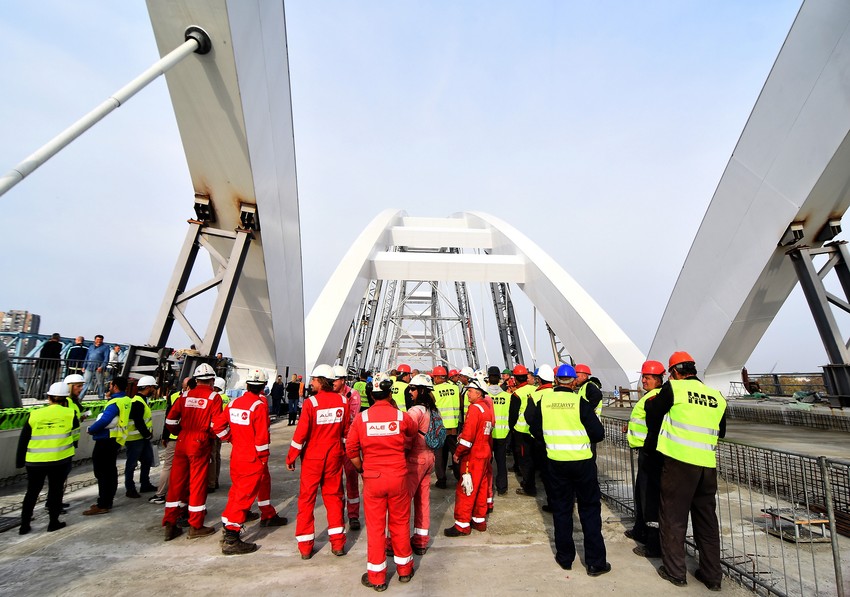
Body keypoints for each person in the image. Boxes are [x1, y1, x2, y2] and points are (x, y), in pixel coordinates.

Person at [645, 351, 727, 591]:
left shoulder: (675, 389)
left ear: (674, 373)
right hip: (707, 466)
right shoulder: (716, 396)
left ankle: (675, 572)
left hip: (679, 463)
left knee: (673, 518)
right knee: (707, 521)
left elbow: (654, 416)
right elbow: (720, 431)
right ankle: (712, 576)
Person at [527, 363, 609, 576]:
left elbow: (535, 428)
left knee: (562, 510)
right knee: (589, 510)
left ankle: (565, 558)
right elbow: (598, 433)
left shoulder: (545, 401)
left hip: (556, 463)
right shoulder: (579, 402)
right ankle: (595, 562)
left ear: (555, 381)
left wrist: (552, 442)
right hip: (582, 463)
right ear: (573, 382)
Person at [346, 373, 417, 591]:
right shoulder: (400, 417)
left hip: (373, 478)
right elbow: (412, 432)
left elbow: (350, 449)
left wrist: (361, 468)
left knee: (376, 528)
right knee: (400, 523)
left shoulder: (362, 419)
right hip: (397, 476)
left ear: (371, 394)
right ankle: (404, 570)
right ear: (389, 393)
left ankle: (377, 577)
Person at [214, 368, 287, 555]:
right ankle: (231, 537)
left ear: (247, 385)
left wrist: (230, 438)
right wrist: (263, 460)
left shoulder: (234, 403)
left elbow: (217, 426)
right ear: (263, 387)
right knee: (244, 496)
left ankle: (228, 525)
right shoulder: (258, 406)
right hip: (252, 458)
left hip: (237, 456)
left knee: (237, 492)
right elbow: (262, 439)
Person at [286, 364, 349, 559]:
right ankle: (337, 544)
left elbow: (301, 434)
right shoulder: (343, 402)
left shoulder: (311, 403)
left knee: (306, 499)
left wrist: (291, 456)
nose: (311, 382)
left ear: (321, 381)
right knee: (334, 498)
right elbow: (346, 432)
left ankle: (305, 547)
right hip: (334, 455)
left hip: (313, 456)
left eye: (313, 379)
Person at [161, 363, 222, 541]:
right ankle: (195, 524)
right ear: (211, 380)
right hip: (199, 442)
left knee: (176, 483)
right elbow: (215, 425)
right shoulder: (214, 397)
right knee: (197, 483)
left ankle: (170, 523)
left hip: (181, 440)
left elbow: (170, 421)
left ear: (195, 380)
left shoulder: (184, 395)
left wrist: (180, 432)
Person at [16, 382, 79, 534]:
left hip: (35, 461)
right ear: (65, 398)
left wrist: (19, 461)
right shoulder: (71, 414)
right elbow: (75, 437)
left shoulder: (35, 414)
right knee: (56, 491)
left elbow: (24, 439)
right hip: (60, 459)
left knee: (32, 492)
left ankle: (24, 525)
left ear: (49, 397)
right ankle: (53, 523)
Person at [444, 374, 494, 537]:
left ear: (479, 393)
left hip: (473, 456)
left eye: (470, 391)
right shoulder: (485, 408)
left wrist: (458, 453)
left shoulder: (474, 409)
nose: (468, 394)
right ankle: (479, 520)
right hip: (484, 452)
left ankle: (462, 524)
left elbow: (468, 436)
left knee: (466, 488)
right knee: (480, 488)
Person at [627, 360, 666, 558]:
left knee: (649, 497)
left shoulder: (655, 398)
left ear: (659, 379)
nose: (644, 380)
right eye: (643, 377)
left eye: (648, 377)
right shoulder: (650, 397)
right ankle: (639, 529)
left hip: (652, 453)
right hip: (644, 451)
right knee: (640, 494)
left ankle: (653, 543)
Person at [83, 377, 132, 515]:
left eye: (110, 385)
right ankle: (107, 500)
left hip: (106, 440)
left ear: (115, 386)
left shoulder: (115, 402)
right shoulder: (126, 400)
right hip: (117, 439)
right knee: (110, 471)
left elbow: (105, 420)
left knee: (101, 471)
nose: (109, 387)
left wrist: (91, 429)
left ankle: (103, 503)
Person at [406, 374, 438, 554]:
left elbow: (406, 437)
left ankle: (396, 542)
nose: (410, 392)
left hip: (415, 460)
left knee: (403, 502)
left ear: (421, 391)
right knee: (423, 500)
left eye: (413, 388)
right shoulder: (433, 410)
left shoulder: (415, 412)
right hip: (429, 458)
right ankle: (421, 540)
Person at [149, 376, 191, 505]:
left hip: (174, 437)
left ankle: (161, 494)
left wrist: (165, 435)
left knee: (168, 466)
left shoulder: (174, 397)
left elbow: (169, 418)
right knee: (187, 468)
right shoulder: (195, 399)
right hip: (187, 438)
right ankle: (180, 496)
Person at [332, 365, 363, 531]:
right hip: (334, 444)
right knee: (335, 481)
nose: (332, 383)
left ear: (343, 380)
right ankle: (338, 513)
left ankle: (353, 516)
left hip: (348, 444)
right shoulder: (329, 395)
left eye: (335, 380)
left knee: (351, 479)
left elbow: (350, 419)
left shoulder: (353, 395)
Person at [124, 375, 157, 498]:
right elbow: (138, 422)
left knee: (147, 460)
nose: (154, 390)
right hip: (135, 439)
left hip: (141, 439)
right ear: (148, 388)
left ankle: (145, 483)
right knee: (131, 464)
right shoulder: (137, 403)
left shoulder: (141, 401)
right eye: (153, 388)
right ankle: (130, 488)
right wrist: (147, 435)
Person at [431, 365, 461, 489]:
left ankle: (441, 480)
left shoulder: (434, 390)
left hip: (440, 428)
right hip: (453, 427)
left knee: (440, 455)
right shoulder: (455, 388)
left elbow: (432, 408)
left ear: (438, 377)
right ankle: (459, 477)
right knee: (456, 453)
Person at [486, 366, 511, 497]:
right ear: (499, 378)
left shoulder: (484, 396)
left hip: (488, 434)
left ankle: (487, 486)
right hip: (502, 434)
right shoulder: (507, 396)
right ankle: (502, 487)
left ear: (489, 378)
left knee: (487, 462)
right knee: (501, 462)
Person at [207, 376, 228, 493]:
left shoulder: (216, 398)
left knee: (212, 456)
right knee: (217, 456)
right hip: (221, 430)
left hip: (214, 430)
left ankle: (211, 483)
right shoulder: (226, 398)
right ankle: (215, 480)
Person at [81, 335, 109, 399]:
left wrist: (102, 366)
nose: (99, 341)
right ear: (95, 340)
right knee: (85, 382)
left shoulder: (105, 347)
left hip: (98, 367)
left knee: (100, 383)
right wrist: (84, 366)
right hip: (89, 366)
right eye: (97, 339)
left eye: (100, 340)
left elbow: (106, 358)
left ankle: (101, 398)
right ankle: (80, 397)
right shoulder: (91, 347)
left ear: (102, 340)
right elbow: (87, 357)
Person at [34, 333, 62, 398]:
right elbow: (56, 355)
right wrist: (59, 365)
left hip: (43, 364)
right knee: (51, 381)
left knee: (42, 380)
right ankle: (49, 395)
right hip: (52, 365)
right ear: (58, 338)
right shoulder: (58, 345)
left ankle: (39, 395)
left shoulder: (46, 344)